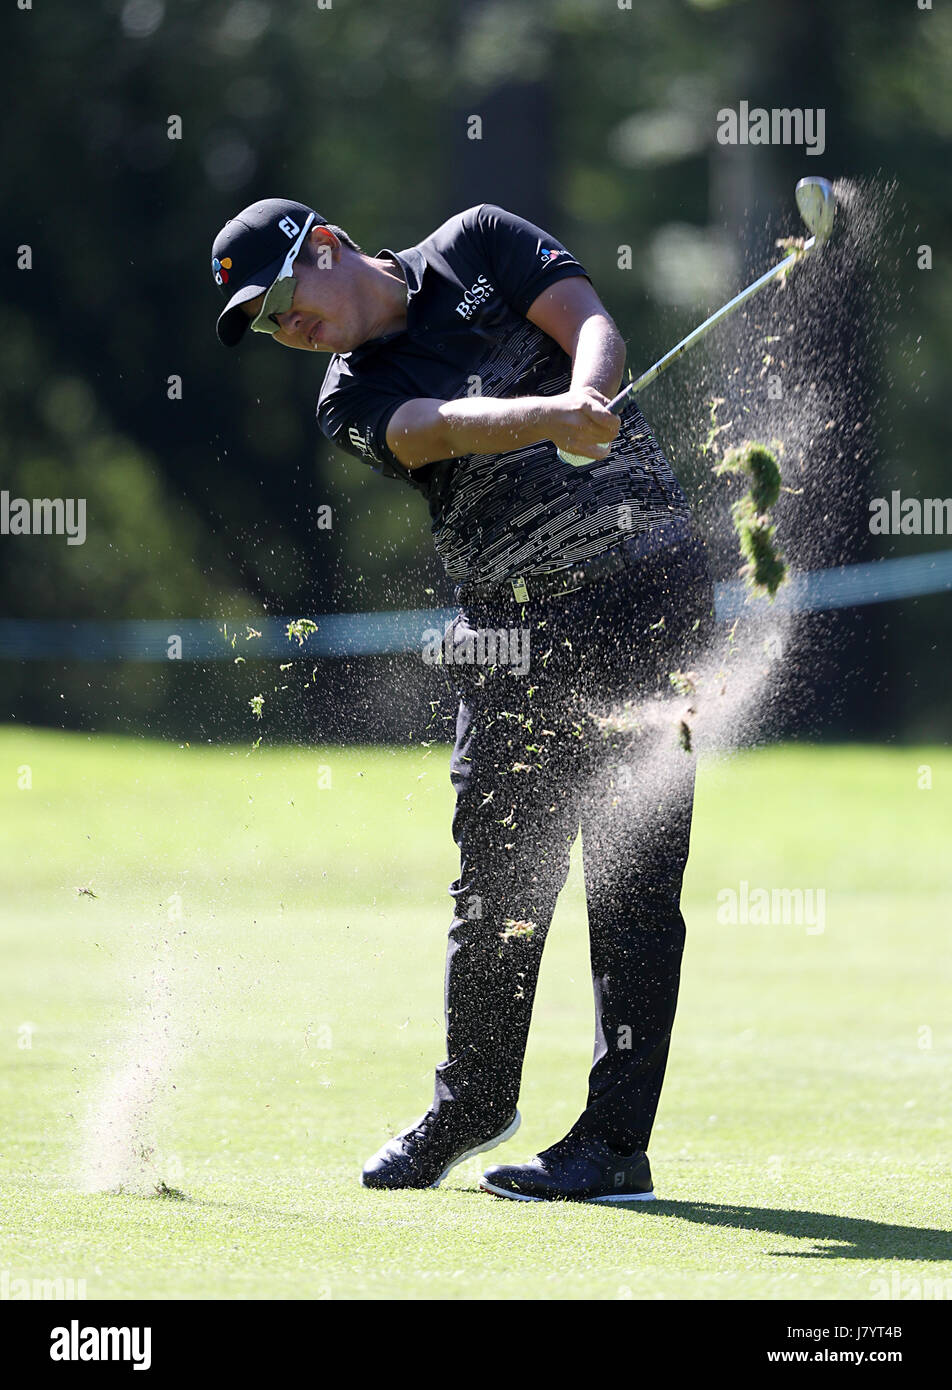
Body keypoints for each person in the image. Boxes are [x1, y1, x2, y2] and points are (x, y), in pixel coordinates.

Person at [211, 197, 714, 1202]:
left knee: (632, 884)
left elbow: (590, 320)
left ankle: (614, 1144)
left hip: (645, 596)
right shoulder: (350, 398)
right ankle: (473, 1100)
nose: (286, 328)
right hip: (510, 633)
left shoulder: (477, 242)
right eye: (266, 325)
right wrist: (555, 418)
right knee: (495, 888)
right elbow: (434, 430)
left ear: (325, 246)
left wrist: (590, 390)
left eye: (281, 301)